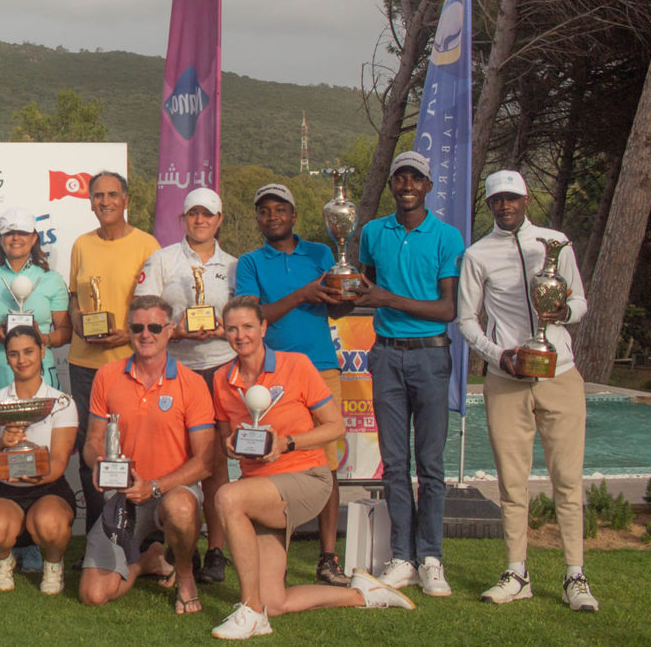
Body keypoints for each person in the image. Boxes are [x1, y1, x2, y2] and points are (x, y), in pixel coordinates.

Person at [209, 297, 413, 640]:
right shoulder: (221, 379)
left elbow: (336, 427)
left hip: (306, 477)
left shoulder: (296, 365)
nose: (240, 335)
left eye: (247, 326)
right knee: (274, 601)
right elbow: (229, 441)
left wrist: (286, 443)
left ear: (263, 327)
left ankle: (248, 611)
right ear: (224, 333)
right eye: (232, 328)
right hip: (259, 488)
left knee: (228, 497)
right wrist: (230, 445)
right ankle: (363, 594)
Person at [457, 170, 597, 611]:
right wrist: (500, 356)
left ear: (526, 198)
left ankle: (575, 575)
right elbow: (466, 320)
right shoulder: (478, 254)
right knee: (512, 485)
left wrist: (561, 312)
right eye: (497, 200)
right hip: (506, 380)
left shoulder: (556, 243)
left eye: (512, 198)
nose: (505, 206)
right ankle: (517, 573)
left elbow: (580, 303)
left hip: (561, 375)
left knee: (567, 482)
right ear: (489, 204)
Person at [355, 151, 464, 597]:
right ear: (393, 184)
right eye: (400, 176)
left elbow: (446, 309)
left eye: (415, 177)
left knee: (431, 464)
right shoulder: (372, 232)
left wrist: (388, 298)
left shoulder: (446, 236)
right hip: (386, 355)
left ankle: (431, 557)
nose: (406, 184)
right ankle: (402, 556)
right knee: (394, 463)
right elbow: (361, 291)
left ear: (427, 186)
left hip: (430, 355)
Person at [234, 183, 354, 586]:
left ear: (294, 215)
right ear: (258, 219)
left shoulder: (322, 253)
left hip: (320, 366)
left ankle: (328, 556)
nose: (272, 217)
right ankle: (275, 552)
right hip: (269, 373)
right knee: (273, 456)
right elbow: (253, 314)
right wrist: (303, 293)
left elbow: (341, 304)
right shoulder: (250, 262)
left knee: (326, 460)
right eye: (264, 211)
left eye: (279, 210)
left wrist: (348, 293)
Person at [80, 295, 213, 613]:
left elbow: (207, 460)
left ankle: (184, 576)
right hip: (123, 497)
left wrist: (154, 486)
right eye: (138, 327)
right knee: (94, 595)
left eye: (154, 326)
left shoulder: (191, 383)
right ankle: (147, 561)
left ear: (169, 330)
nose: (146, 334)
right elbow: (92, 441)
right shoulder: (107, 376)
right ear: (129, 330)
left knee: (180, 508)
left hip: (171, 491)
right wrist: (97, 464)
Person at [133, 187, 236, 584]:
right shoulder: (161, 259)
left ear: (219, 219)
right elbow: (143, 314)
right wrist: (177, 333)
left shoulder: (234, 265)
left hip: (220, 370)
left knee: (214, 467)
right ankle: (176, 545)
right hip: (175, 370)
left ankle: (216, 550)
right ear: (184, 218)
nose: (200, 220)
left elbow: (243, 320)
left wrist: (222, 330)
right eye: (193, 214)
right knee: (175, 458)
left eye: (208, 214)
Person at [66, 171, 161, 537]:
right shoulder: (81, 245)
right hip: (85, 363)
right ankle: (95, 532)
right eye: (98, 196)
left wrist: (130, 333)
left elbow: (153, 305)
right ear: (90, 202)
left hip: (130, 362)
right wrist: (78, 324)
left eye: (112, 195)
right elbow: (75, 298)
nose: (105, 202)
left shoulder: (146, 244)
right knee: (90, 446)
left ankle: (139, 531)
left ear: (126, 199)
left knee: (135, 444)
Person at [0, 326, 79, 595]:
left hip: (47, 488)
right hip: (4, 489)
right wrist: (2, 442)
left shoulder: (61, 402)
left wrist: (37, 475)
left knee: (50, 524)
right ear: (7, 358)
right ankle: (3, 559)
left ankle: (53, 564)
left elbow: (57, 462)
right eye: (14, 354)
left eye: (29, 351)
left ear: (43, 352)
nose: (22, 360)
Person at [0, 206, 71, 406]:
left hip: (39, 375)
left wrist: (43, 338)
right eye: (9, 233)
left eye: (22, 233)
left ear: (34, 237)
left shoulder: (52, 279)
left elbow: (65, 332)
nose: (15, 238)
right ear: (0, 239)